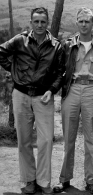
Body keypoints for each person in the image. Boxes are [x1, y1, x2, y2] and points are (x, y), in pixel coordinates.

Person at [0, 7, 64, 195]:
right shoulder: (20, 40)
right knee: (24, 140)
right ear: (31, 22)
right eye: (36, 21)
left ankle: (44, 182)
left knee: (46, 141)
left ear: (47, 23)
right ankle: (28, 180)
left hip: (44, 97)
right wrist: (13, 70)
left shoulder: (56, 46)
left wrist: (52, 90)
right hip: (21, 95)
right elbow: (1, 52)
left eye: (43, 21)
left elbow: (61, 72)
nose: (39, 25)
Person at [53, 7, 93, 194]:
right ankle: (64, 179)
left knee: (90, 139)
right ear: (77, 23)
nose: (84, 24)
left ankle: (90, 181)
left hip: (92, 90)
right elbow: (59, 69)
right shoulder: (67, 45)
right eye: (81, 21)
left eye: (87, 21)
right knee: (68, 137)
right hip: (72, 89)